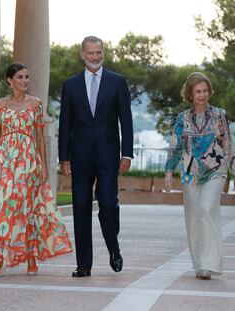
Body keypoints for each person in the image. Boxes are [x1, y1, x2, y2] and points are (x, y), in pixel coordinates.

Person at [0, 63, 72, 277]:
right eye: (20, 77)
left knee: (27, 209)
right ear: (9, 80)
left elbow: (40, 138)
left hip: (28, 162)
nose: (24, 81)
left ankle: (31, 258)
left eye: (27, 77)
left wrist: (43, 166)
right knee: (2, 208)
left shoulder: (35, 104)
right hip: (5, 161)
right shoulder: (0, 104)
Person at [59, 36, 134, 277]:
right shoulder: (70, 85)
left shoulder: (117, 82)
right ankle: (84, 265)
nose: (95, 57)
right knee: (80, 207)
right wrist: (64, 157)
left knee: (108, 204)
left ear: (103, 53)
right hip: (79, 156)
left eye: (99, 52)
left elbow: (126, 120)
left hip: (108, 154)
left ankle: (114, 249)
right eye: (90, 53)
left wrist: (127, 153)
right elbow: (65, 123)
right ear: (82, 54)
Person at [164, 72, 235, 280]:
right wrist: (168, 171)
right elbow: (176, 146)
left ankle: (210, 263)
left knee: (207, 209)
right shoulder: (183, 118)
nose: (202, 94)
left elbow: (228, 144)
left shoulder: (219, 115)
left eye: (205, 90)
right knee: (193, 216)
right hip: (190, 171)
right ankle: (199, 264)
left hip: (216, 168)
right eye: (198, 91)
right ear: (190, 94)